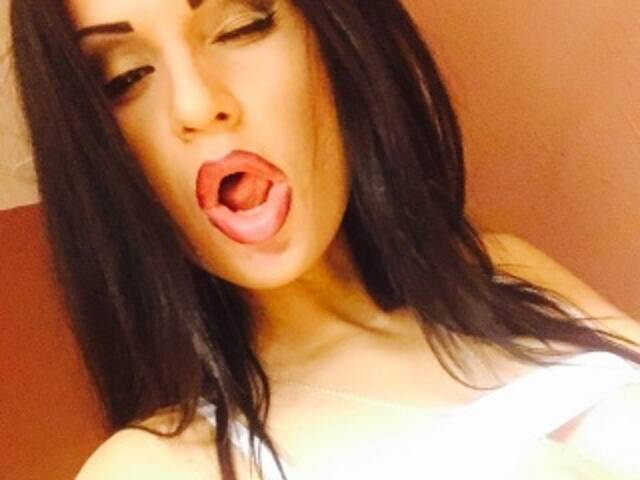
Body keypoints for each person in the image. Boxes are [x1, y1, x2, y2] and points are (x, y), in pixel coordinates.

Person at [9, 0, 640, 478]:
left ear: (332, 36)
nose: (197, 104)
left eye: (239, 28)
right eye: (124, 78)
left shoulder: (504, 273)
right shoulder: (156, 467)